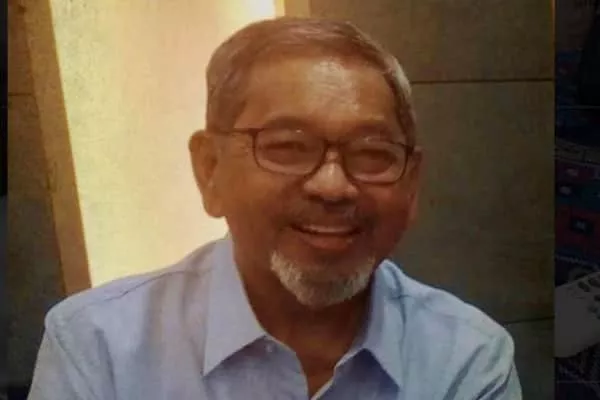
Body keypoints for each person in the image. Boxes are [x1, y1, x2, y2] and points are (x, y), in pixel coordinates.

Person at [27, 17, 522, 399]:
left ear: (411, 184)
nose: (333, 186)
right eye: (287, 147)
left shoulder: (465, 357)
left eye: (372, 153)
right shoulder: (99, 347)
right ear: (210, 170)